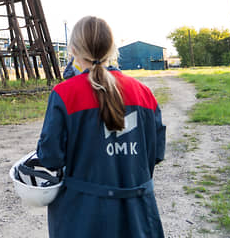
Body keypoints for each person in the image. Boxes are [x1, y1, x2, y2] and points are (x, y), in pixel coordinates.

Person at [36, 16, 166, 237]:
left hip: (83, 219)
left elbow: (50, 157)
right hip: (138, 217)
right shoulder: (143, 94)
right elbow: (154, 154)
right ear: (112, 49)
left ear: (73, 50)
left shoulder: (64, 94)